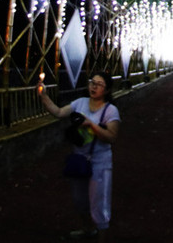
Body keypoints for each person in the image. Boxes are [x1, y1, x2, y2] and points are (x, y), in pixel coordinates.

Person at [39, 71, 121, 242]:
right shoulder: (80, 103)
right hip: (80, 158)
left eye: (99, 84)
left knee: (99, 201)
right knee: (80, 200)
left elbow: (111, 136)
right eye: (92, 82)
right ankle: (87, 229)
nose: (94, 86)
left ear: (106, 90)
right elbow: (59, 112)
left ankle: (101, 236)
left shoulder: (110, 110)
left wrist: (91, 125)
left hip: (100, 161)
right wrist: (44, 95)